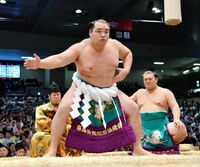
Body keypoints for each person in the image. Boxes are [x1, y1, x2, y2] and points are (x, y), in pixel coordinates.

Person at [24, 19, 150, 156]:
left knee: (133, 107)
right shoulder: (80, 48)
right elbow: (60, 59)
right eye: (99, 31)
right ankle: (52, 150)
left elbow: (127, 54)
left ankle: (138, 148)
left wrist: (125, 70)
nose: (103, 35)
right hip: (82, 88)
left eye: (106, 31)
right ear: (90, 32)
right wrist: (40, 63)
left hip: (109, 89)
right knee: (63, 109)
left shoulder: (115, 45)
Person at [130, 71, 188, 154]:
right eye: (145, 79)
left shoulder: (165, 92)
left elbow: (174, 106)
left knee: (181, 128)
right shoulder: (139, 93)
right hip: (142, 128)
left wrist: (176, 119)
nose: (147, 81)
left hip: (162, 126)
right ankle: (140, 147)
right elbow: (127, 103)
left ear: (156, 79)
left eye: (150, 79)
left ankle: (167, 144)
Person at [30, 82, 80, 157]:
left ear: (61, 95)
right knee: (37, 136)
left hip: (66, 133)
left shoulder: (69, 108)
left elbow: (73, 123)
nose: (56, 96)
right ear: (49, 96)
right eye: (54, 95)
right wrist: (58, 125)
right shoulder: (41, 109)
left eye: (58, 94)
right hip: (48, 133)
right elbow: (41, 123)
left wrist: (61, 127)